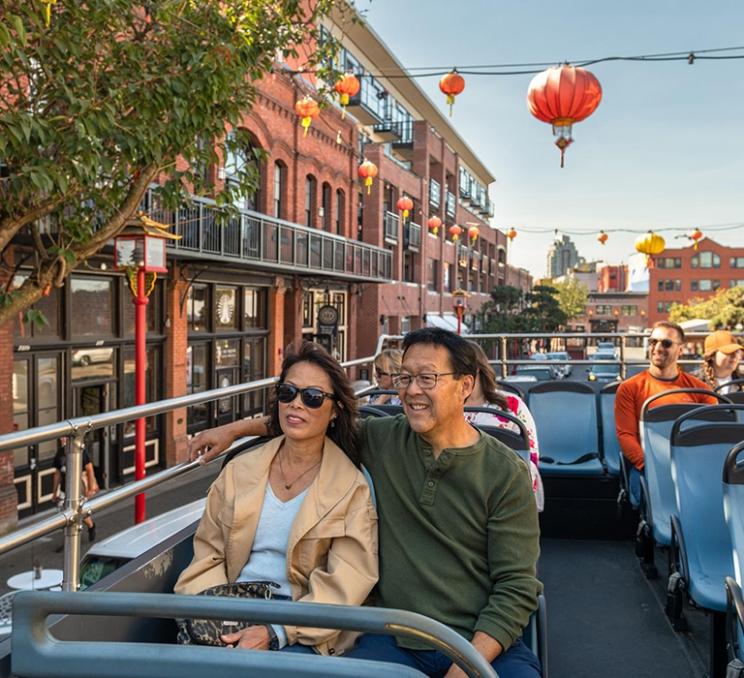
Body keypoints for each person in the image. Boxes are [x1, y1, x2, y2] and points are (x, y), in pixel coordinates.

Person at [189, 329, 541, 677]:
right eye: (405, 377)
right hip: (394, 637)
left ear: (465, 385)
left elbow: (517, 586)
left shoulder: (505, 472)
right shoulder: (384, 438)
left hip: (478, 644)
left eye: (427, 378)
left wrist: (466, 668)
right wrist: (234, 431)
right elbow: (307, 416)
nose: (412, 390)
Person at [175, 341, 378, 655]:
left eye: (312, 398)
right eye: (288, 393)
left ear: (335, 410)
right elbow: (207, 555)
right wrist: (218, 616)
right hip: (231, 609)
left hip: (301, 626)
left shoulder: (351, 489)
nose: (296, 404)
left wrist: (277, 631)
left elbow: (345, 583)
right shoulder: (239, 472)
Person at [614, 320, 717, 505]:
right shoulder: (630, 388)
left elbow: (710, 436)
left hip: (690, 467)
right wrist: (651, 467)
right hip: (647, 466)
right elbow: (626, 435)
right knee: (648, 501)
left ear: (680, 349)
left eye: (666, 343)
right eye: (653, 342)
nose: (658, 348)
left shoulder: (700, 391)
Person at [464, 342, 544, 512]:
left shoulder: (512, 405)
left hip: (505, 486)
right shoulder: (444, 407)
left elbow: (531, 453)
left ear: (477, 369)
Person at [52, 436, 98, 541]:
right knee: (64, 511)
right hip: (65, 489)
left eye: (65, 438)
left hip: (78, 487)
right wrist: (55, 492)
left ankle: (91, 526)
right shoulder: (60, 453)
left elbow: (90, 469)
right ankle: (69, 537)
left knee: (79, 511)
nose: (63, 440)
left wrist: (91, 488)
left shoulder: (80, 450)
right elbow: (57, 474)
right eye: (61, 438)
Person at [695, 330, 743, 394]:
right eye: (728, 351)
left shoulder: (741, 381)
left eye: (736, 351)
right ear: (711, 356)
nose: (734, 356)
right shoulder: (694, 382)